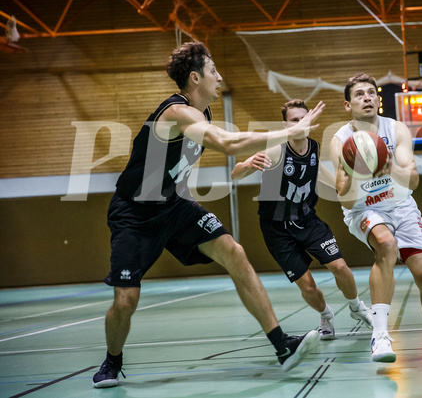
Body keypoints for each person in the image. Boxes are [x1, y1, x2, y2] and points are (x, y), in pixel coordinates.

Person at [93, 42, 324, 388]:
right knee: (126, 301)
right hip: (134, 214)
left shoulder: (203, 115)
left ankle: (282, 346)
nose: (220, 76)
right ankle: (112, 361)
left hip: (172, 205)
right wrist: (290, 132)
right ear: (195, 77)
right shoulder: (176, 113)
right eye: (214, 71)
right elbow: (229, 144)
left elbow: (175, 168)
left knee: (234, 251)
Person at [329, 72, 422, 363]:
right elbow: (343, 196)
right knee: (386, 245)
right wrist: (360, 170)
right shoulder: (341, 140)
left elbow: (414, 181)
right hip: (364, 208)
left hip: (401, 206)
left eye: (371, 92)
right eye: (359, 94)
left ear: (379, 99)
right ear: (348, 105)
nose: (367, 97)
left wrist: (388, 166)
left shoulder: (397, 130)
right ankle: (380, 336)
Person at [231, 99, 373, 341]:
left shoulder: (314, 147)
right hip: (276, 229)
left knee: (339, 266)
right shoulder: (276, 149)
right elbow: (236, 174)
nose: (300, 123)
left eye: (303, 119)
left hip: (307, 220)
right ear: (285, 124)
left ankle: (356, 307)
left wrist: (341, 190)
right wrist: (246, 165)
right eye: (294, 120)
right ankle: (326, 316)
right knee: (307, 285)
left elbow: (318, 171)